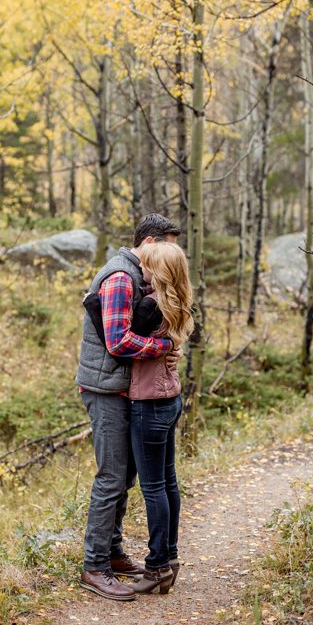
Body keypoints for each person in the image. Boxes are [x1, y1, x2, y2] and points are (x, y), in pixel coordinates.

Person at [75, 213, 183, 602]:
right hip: (106, 390)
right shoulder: (121, 278)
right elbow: (119, 343)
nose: (174, 253)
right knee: (111, 476)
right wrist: (164, 348)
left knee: (126, 477)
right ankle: (95, 567)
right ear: (151, 243)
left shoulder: (141, 276)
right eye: (169, 245)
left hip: (127, 391)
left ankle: (114, 552)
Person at [124, 241, 194, 595]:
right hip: (170, 399)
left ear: (160, 273)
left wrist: (92, 302)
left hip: (149, 403)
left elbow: (118, 341)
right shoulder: (177, 301)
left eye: (148, 267)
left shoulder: (150, 307)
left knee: (153, 487)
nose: (142, 272)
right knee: (167, 482)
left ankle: (156, 566)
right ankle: (171, 558)